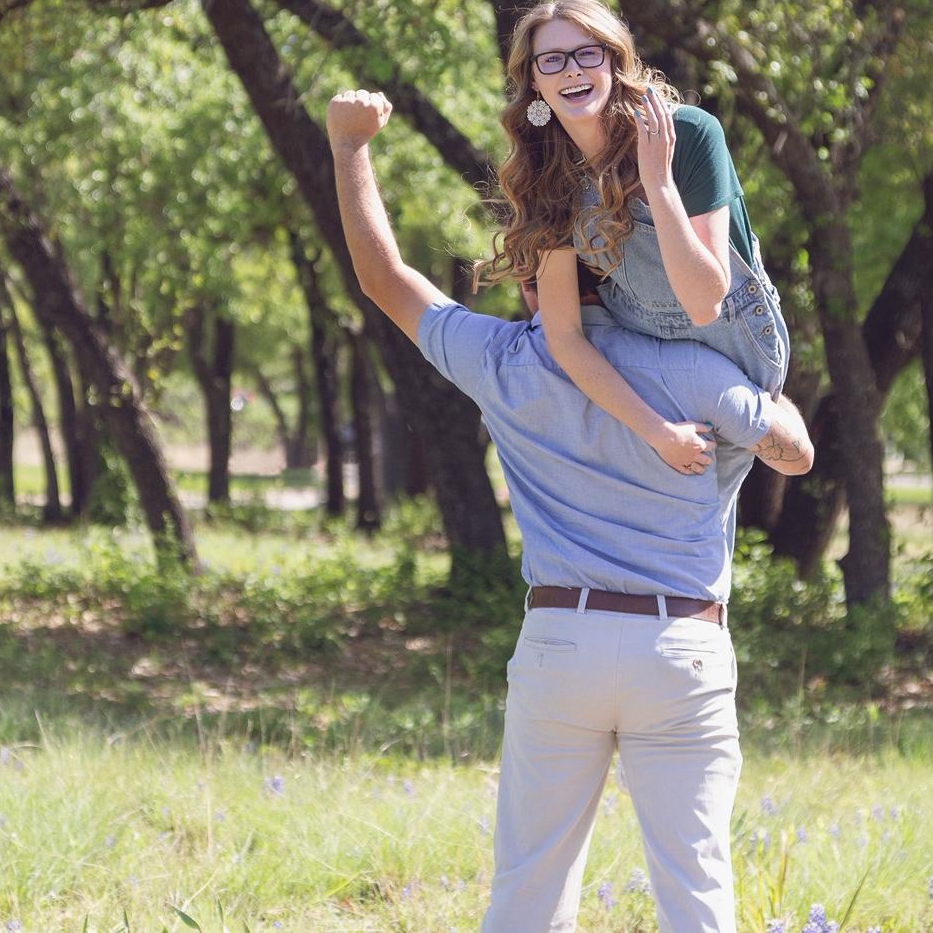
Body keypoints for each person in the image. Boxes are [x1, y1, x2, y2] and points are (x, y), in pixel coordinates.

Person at [326, 87, 814, 933]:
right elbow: (796, 454)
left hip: (560, 640)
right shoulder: (695, 373)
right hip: (680, 645)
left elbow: (383, 278)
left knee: (529, 893)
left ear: (533, 274)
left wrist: (349, 148)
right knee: (698, 894)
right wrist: (763, 409)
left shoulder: (503, 363)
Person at [475, 0, 790, 479]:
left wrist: (659, 184)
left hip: (736, 342)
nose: (572, 69)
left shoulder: (690, 133)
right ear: (534, 81)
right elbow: (564, 336)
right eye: (552, 60)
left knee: (792, 461)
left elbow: (704, 303)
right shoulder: (547, 179)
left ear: (614, 60)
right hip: (647, 347)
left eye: (588, 53)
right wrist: (657, 432)